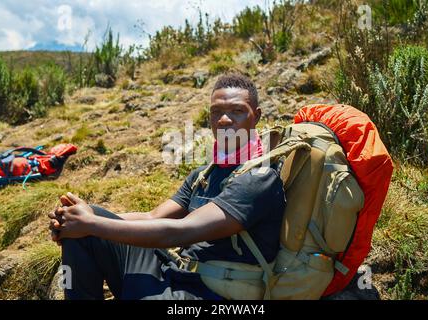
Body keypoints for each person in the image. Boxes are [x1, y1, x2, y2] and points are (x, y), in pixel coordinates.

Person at [48, 73, 286, 300]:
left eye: (237, 111)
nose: (224, 120)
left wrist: (92, 224)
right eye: (216, 112)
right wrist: (82, 219)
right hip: (178, 273)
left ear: (256, 116)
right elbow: (152, 216)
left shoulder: (259, 177)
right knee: (87, 222)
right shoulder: (205, 173)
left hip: (214, 292)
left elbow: (180, 231)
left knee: (92, 224)